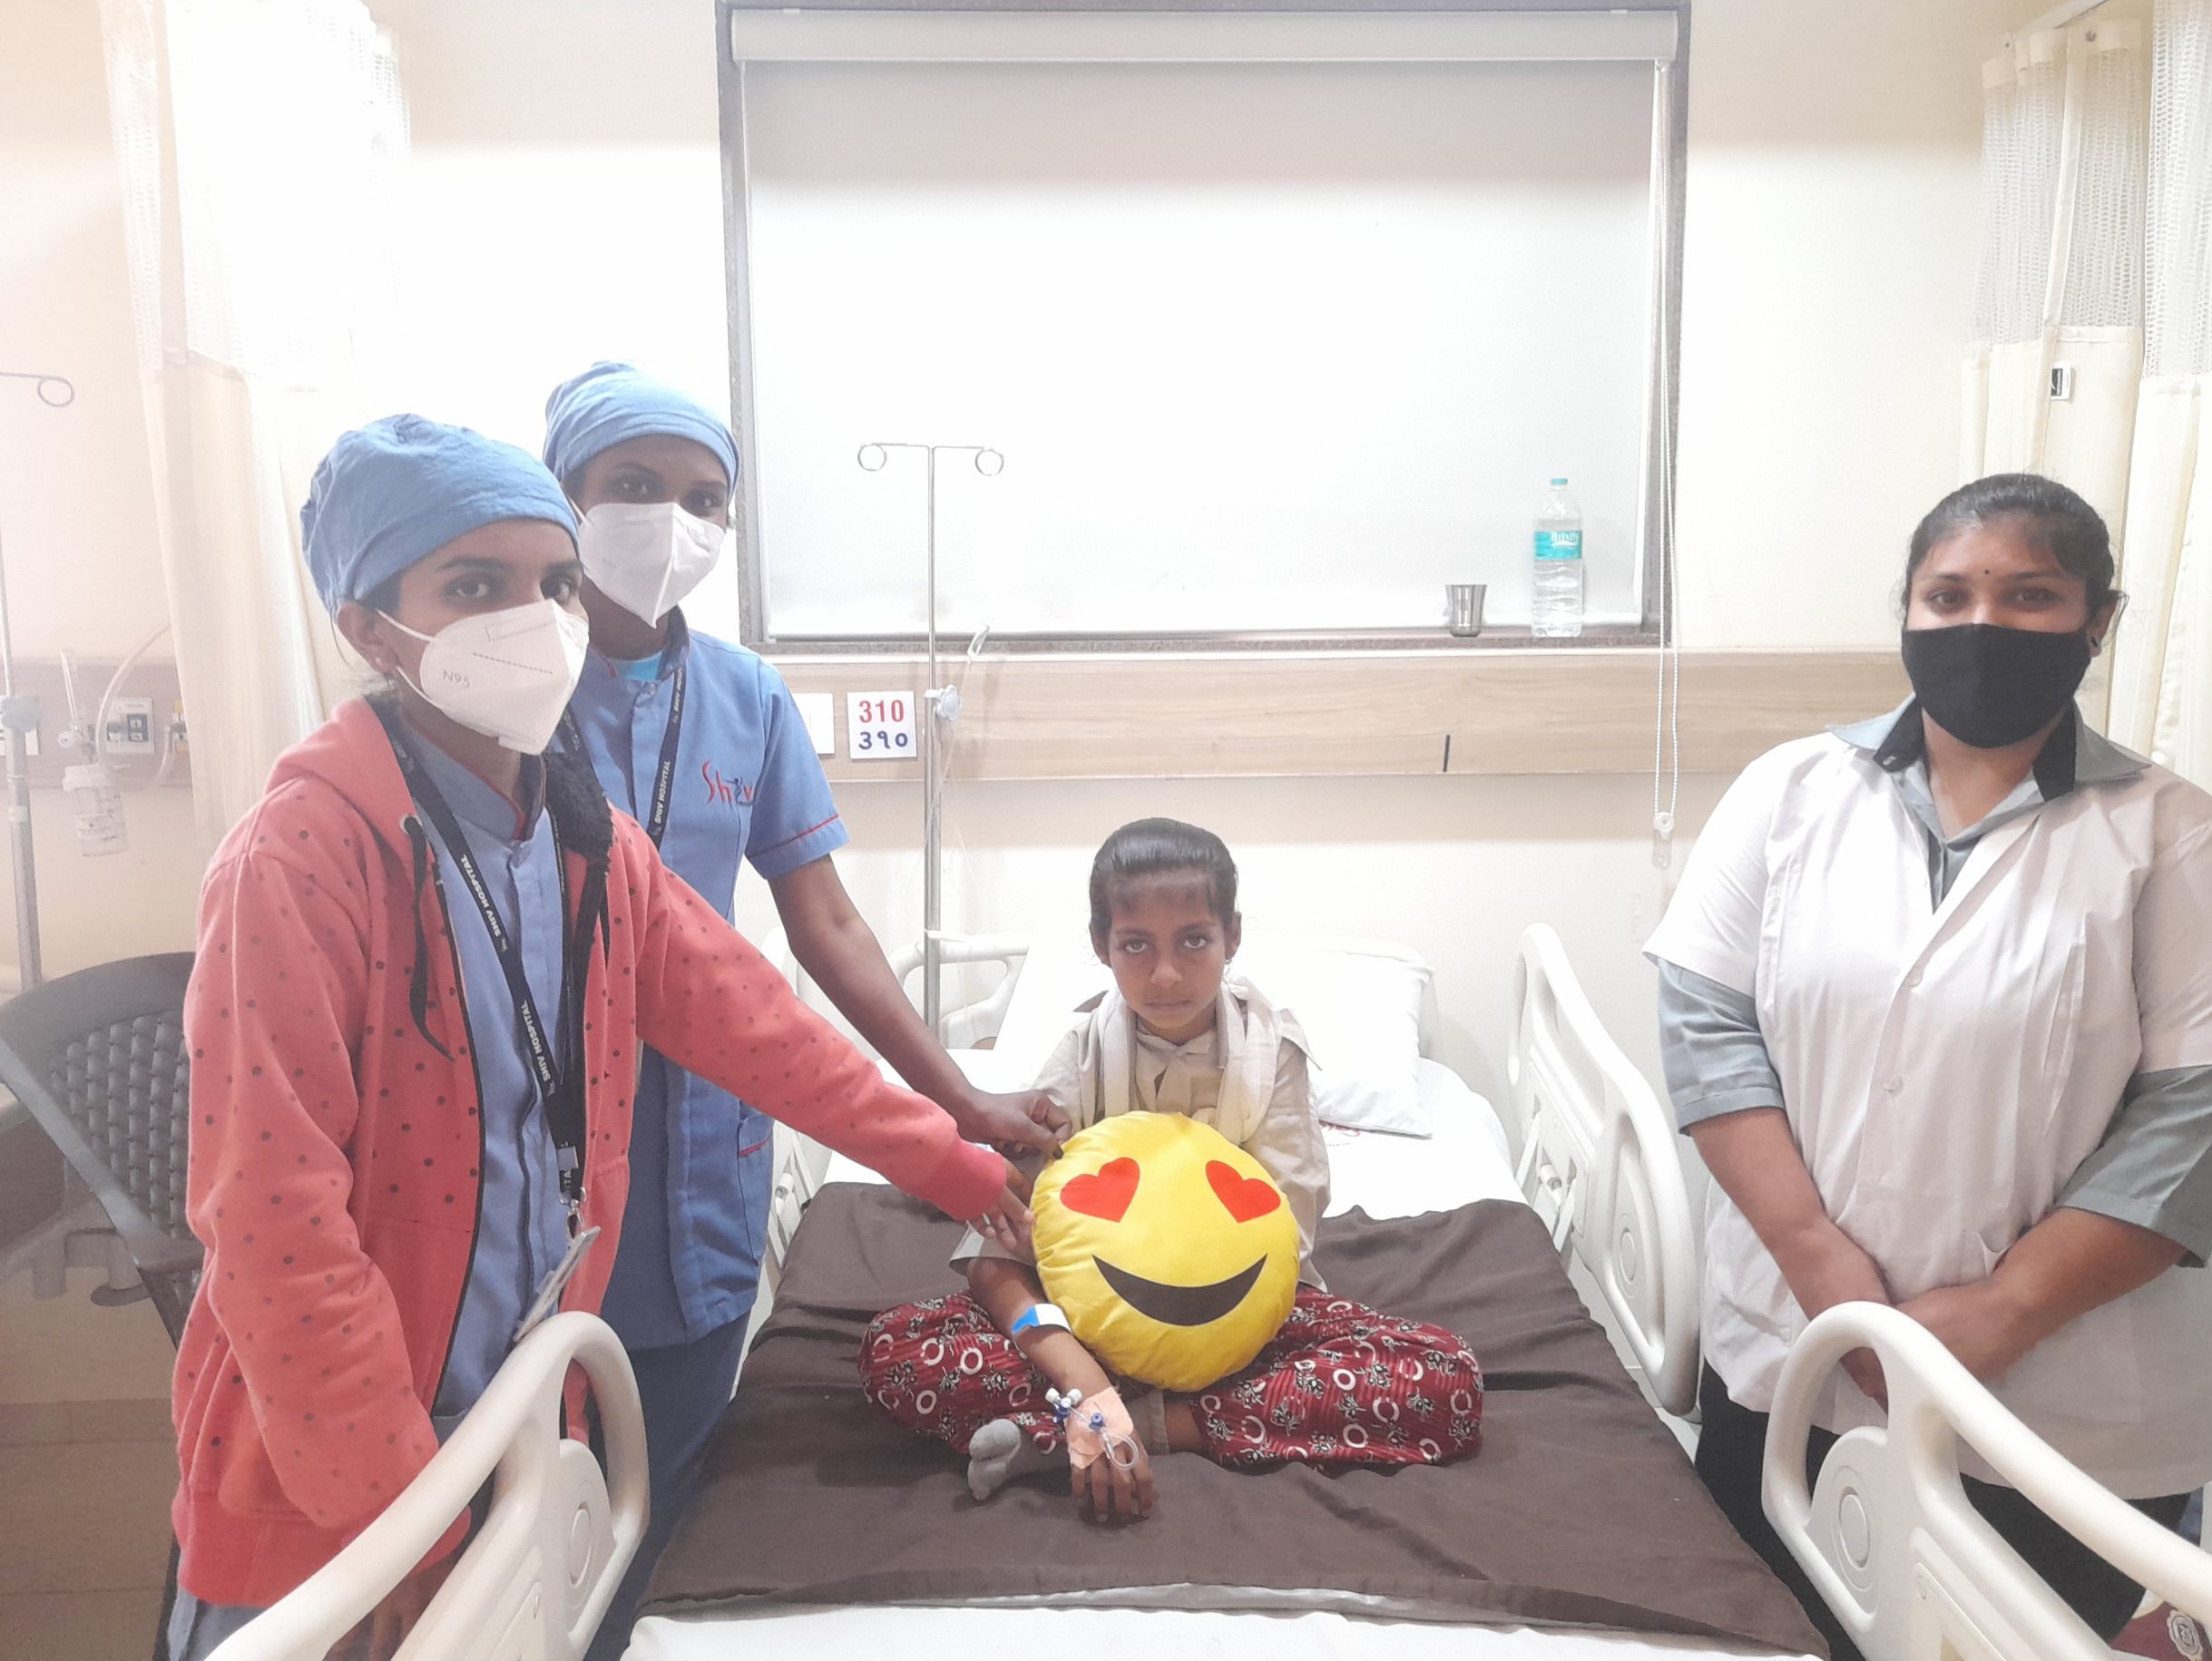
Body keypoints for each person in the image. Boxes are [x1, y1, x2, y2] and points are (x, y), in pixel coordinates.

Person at [164, 415, 1029, 1660]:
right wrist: (392, 1519)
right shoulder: (304, 856)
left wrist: (955, 1163)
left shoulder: (584, 840)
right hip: (332, 1474)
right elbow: (273, 1227)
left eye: (555, 583)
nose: (535, 619)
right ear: (368, 627)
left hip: (519, 1413)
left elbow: (760, 1027)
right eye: (475, 586)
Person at [1645, 474, 2212, 1656]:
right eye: (1948, 595)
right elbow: (1709, 1024)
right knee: (1773, 1630)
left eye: (2030, 596)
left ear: (2098, 621)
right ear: (1906, 609)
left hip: (2065, 1395)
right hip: (1799, 1348)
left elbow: (2210, 1111)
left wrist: (2006, 1311)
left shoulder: (2174, 835)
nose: (1981, 624)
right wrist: (1817, 1259)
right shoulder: (1789, 794)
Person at [540, 360, 1065, 1651]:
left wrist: (959, 1100)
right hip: (544, 1132)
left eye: (702, 498)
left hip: (706, 1136)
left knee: (667, 1488)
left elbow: (826, 925)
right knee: (531, 1488)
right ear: (563, 497)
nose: (671, 520)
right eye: (634, 486)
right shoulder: (508, 695)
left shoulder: (747, 698)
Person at [858, 818, 1483, 1523]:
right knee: (896, 1352)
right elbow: (993, 1255)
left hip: (1244, 1332)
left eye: (1193, 941)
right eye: (1135, 945)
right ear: (1101, 945)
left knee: (1444, 1380)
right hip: (1087, 1331)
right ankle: (1119, 1418)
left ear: (1231, 937)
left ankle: (1116, 1432)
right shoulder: (1079, 1062)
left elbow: (1287, 1244)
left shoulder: (1273, 1058)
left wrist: (1115, 1401)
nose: (1165, 974)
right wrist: (1087, 1382)